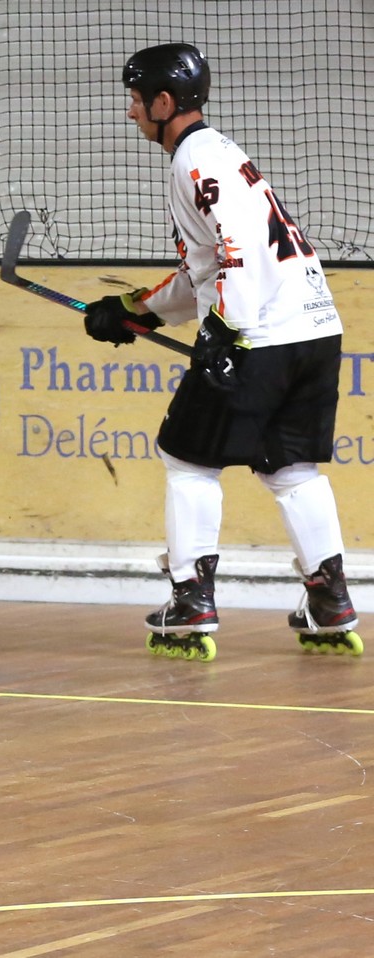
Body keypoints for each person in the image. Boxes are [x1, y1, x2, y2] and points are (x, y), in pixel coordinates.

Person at [83, 43, 360, 659]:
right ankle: (330, 599)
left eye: (136, 100)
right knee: (289, 468)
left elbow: (239, 253)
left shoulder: (194, 161)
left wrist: (225, 332)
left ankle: (191, 599)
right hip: (312, 329)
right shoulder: (219, 153)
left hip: (261, 331)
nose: (130, 111)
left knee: (186, 457)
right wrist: (135, 310)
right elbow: (209, 270)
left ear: (163, 102)